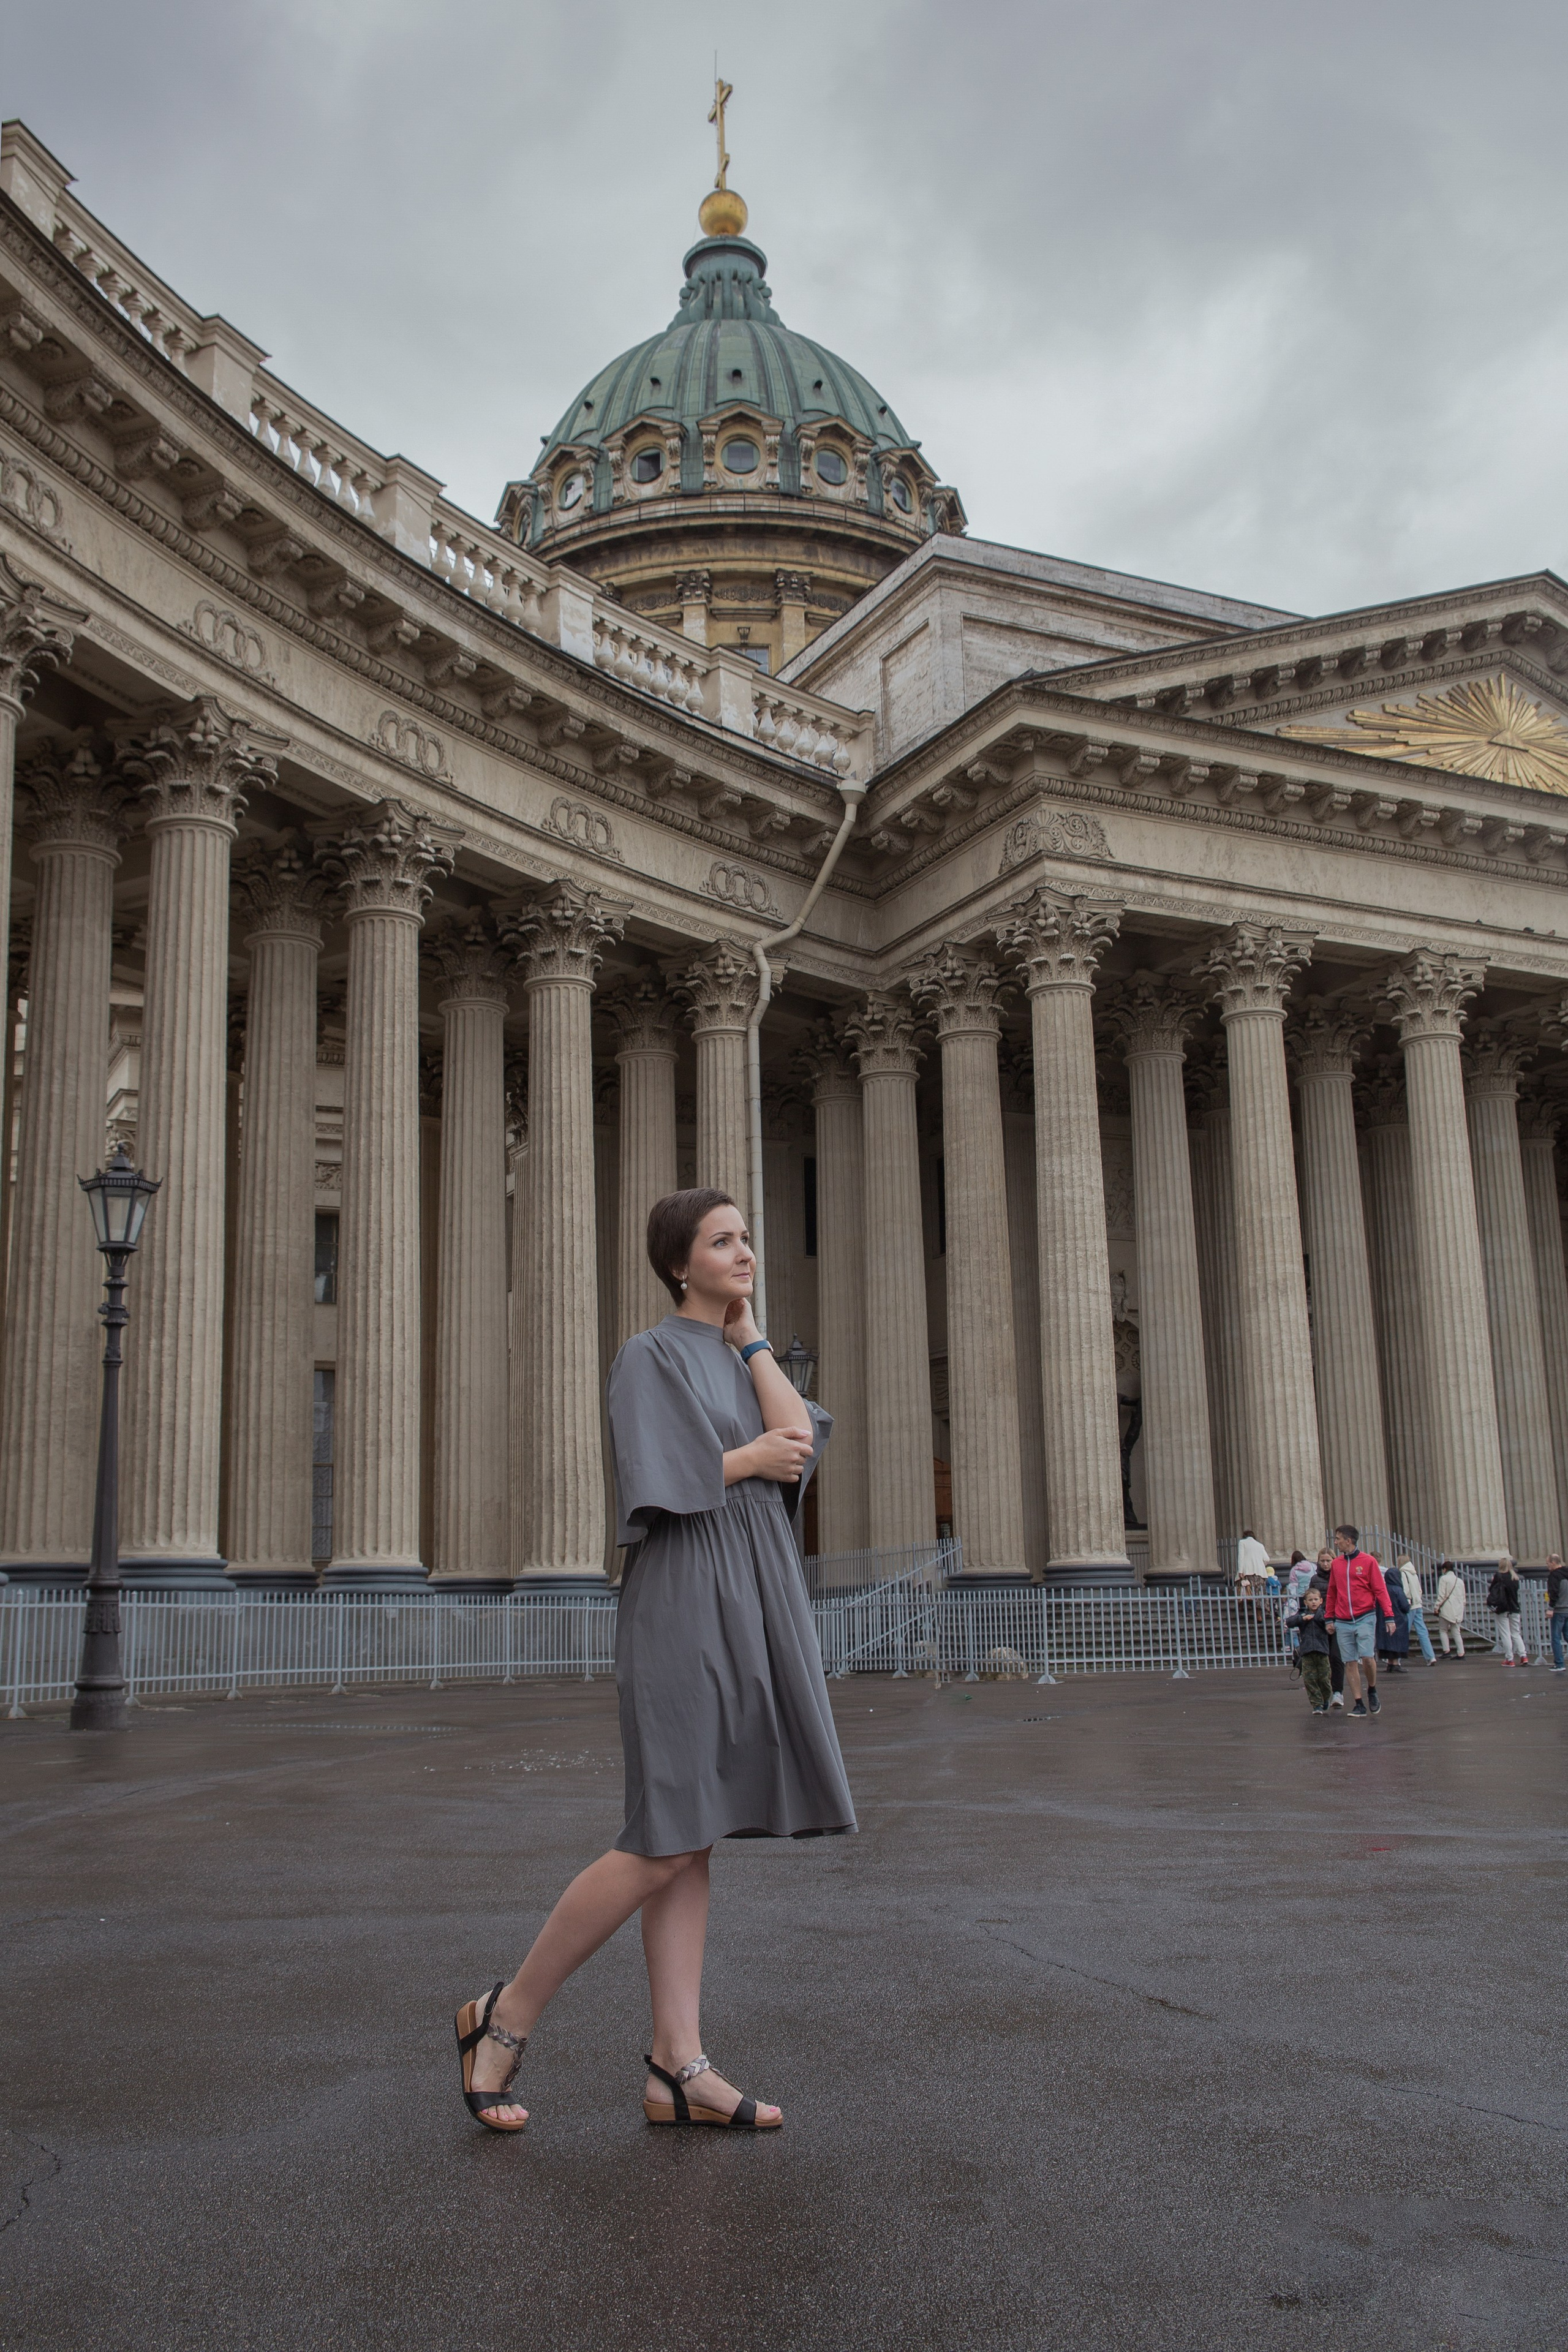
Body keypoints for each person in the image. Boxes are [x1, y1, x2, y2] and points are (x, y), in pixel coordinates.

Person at [454, 1188, 854, 2133]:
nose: (745, 1250)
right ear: (680, 1263)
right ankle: (503, 2019)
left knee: (693, 1835)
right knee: (663, 1834)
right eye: (724, 1241)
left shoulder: (735, 1356)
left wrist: (755, 1343)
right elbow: (657, 1476)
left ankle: (679, 2063)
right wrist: (749, 1459)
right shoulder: (648, 1355)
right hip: (681, 1598)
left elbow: (798, 1440)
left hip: (749, 1595)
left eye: (749, 1237)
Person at [1323, 1523, 1396, 1717]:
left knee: (1367, 1658)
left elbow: (1380, 1590)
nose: (1336, 1542)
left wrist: (1389, 1616)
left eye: (1338, 1539)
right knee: (1349, 1662)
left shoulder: (1369, 1561)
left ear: (1349, 1541)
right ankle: (1358, 1703)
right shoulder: (1337, 1564)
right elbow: (1332, 1592)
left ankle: (1372, 1689)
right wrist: (1329, 1617)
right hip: (1343, 1619)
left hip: (1365, 1616)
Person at [1308, 1548, 1346, 1709]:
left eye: (1328, 1561)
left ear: (1334, 1560)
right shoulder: (1315, 1579)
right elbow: (1310, 1599)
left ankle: (1338, 1693)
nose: (1325, 1564)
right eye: (1322, 1561)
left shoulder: (1341, 1576)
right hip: (1319, 1624)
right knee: (1322, 1662)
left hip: (1338, 1622)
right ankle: (1324, 1696)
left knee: (1337, 1658)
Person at [1295, 1583, 1335, 1714]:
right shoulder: (1302, 1614)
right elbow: (1290, 1622)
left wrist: (1317, 1614)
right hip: (1307, 1652)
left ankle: (1325, 1698)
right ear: (1306, 1602)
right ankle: (1316, 1704)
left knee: (1324, 1678)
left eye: (1316, 1600)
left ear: (1321, 1601)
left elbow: (1326, 1621)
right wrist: (1302, 1618)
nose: (1313, 1602)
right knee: (1310, 1679)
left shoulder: (1324, 1614)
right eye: (1311, 1600)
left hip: (1322, 1651)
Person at [1487, 1556, 1528, 1667]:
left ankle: (1510, 1659)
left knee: (1506, 1634)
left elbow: (1492, 1591)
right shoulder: (1515, 1578)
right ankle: (1523, 1656)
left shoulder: (1498, 1576)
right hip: (1515, 1608)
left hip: (1502, 1608)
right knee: (1516, 1633)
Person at [1376, 1556, 1412, 1673]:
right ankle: (1396, 1663)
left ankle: (1390, 1664)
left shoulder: (1383, 1589)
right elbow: (1405, 1606)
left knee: (1388, 1641)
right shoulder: (1398, 1590)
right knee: (1397, 1642)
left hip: (1384, 1620)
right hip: (1399, 1620)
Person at [1398, 1558, 1436, 1664]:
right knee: (1423, 1633)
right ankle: (1431, 1657)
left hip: (1410, 1606)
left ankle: (1397, 1659)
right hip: (1418, 1605)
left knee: (1404, 1633)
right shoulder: (1414, 1574)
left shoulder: (1403, 1574)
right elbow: (1420, 1590)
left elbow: (1405, 1591)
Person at [1434, 1559, 1467, 1656]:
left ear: (1444, 1569)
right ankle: (1461, 1653)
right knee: (1456, 1631)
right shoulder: (1460, 1581)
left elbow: (1442, 1595)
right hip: (1458, 1609)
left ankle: (1446, 1650)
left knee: (1443, 1630)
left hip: (1446, 1609)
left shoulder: (1444, 1579)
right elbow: (1463, 1597)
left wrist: (1437, 1607)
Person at [1548, 1554, 1568, 1673]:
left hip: (1559, 1610)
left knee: (1556, 1638)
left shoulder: (1554, 1576)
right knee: (1567, 1635)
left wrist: (1551, 1608)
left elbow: (1554, 1593)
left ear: (1554, 1563)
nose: (1547, 1566)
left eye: (1548, 1563)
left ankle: (1559, 1664)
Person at [1236, 1527, 1270, 1595]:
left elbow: (1241, 1558)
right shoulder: (1260, 1545)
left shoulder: (1242, 1543)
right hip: (1260, 1574)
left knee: (1249, 1594)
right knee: (1259, 1594)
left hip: (1248, 1572)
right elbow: (1267, 1559)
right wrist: (1260, 1565)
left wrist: (1240, 1571)